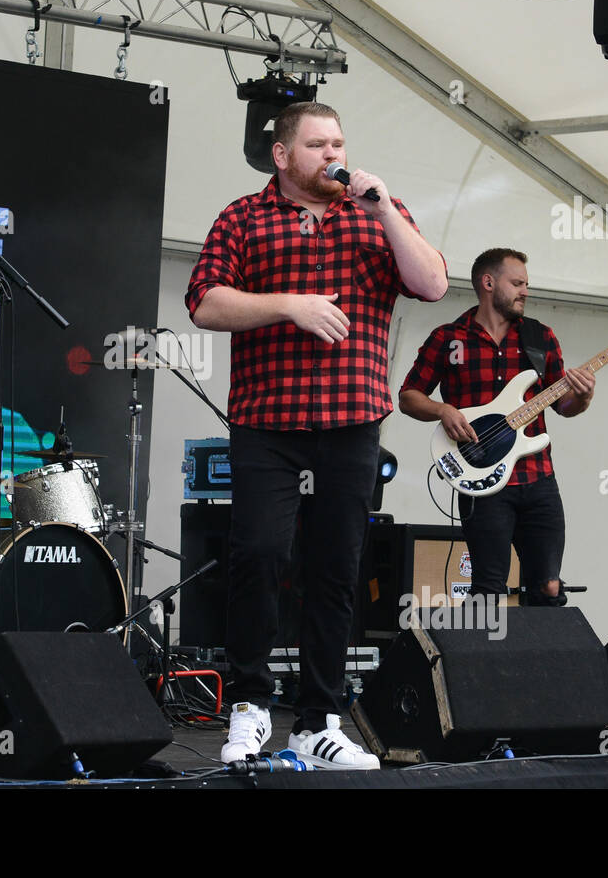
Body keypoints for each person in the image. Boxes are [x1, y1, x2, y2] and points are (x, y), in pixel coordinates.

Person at [186, 101, 447, 768]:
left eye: (339, 141)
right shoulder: (243, 217)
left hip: (351, 420)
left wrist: (386, 206)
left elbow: (433, 283)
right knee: (261, 557)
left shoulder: (375, 214)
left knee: (335, 571)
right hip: (266, 420)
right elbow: (206, 301)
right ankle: (248, 706)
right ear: (282, 155)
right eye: (317, 144)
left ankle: (318, 720)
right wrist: (289, 307)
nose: (333, 153)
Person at [398, 248, 594, 607]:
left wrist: (582, 397)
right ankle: (488, 663)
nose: (525, 291)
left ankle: (543, 663)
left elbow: (563, 406)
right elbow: (408, 396)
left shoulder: (540, 337)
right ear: (488, 283)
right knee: (488, 589)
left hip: (538, 477)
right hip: (481, 480)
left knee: (549, 587)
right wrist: (442, 409)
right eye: (517, 283)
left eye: (527, 284)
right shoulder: (448, 338)